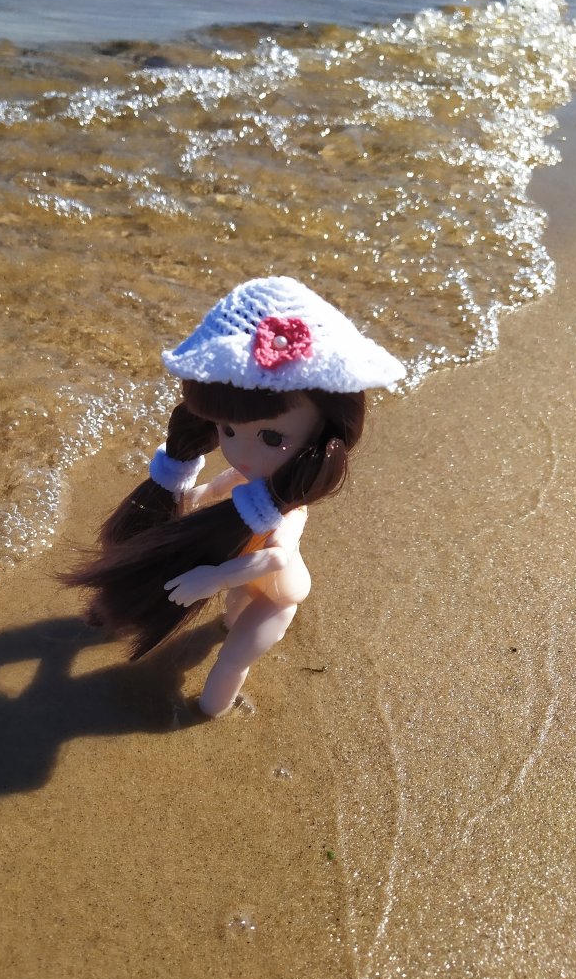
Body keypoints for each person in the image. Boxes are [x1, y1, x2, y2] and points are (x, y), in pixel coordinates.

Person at [64, 276, 406, 717]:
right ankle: (226, 623)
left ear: (323, 437)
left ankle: (211, 711)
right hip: (243, 575)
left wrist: (214, 577)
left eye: (271, 437)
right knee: (231, 616)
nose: (241, 452)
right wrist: (204, 491)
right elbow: (230, 479)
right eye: (227, 431)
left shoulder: (288, 510)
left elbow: (277, 558)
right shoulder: (254, 485)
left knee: (232, 659)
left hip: (277, 596)